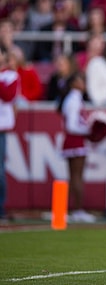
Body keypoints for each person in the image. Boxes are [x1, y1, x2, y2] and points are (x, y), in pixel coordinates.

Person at [57, 72, 96, 223]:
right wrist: (88, 130)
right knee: (77, 177)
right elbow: (71, 125)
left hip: (73, 140)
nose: (83, 83)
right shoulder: (73, 99)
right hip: (75, 141)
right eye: (80, 80)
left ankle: (74, 209)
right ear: (73, 83)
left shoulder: (74, 98)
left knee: (75, 177)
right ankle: (78, 210)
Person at [0, 46, 18, 223]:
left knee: (0, 170)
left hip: (1, 129)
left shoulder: (10, 76)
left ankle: (1, 207)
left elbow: (7, 95)